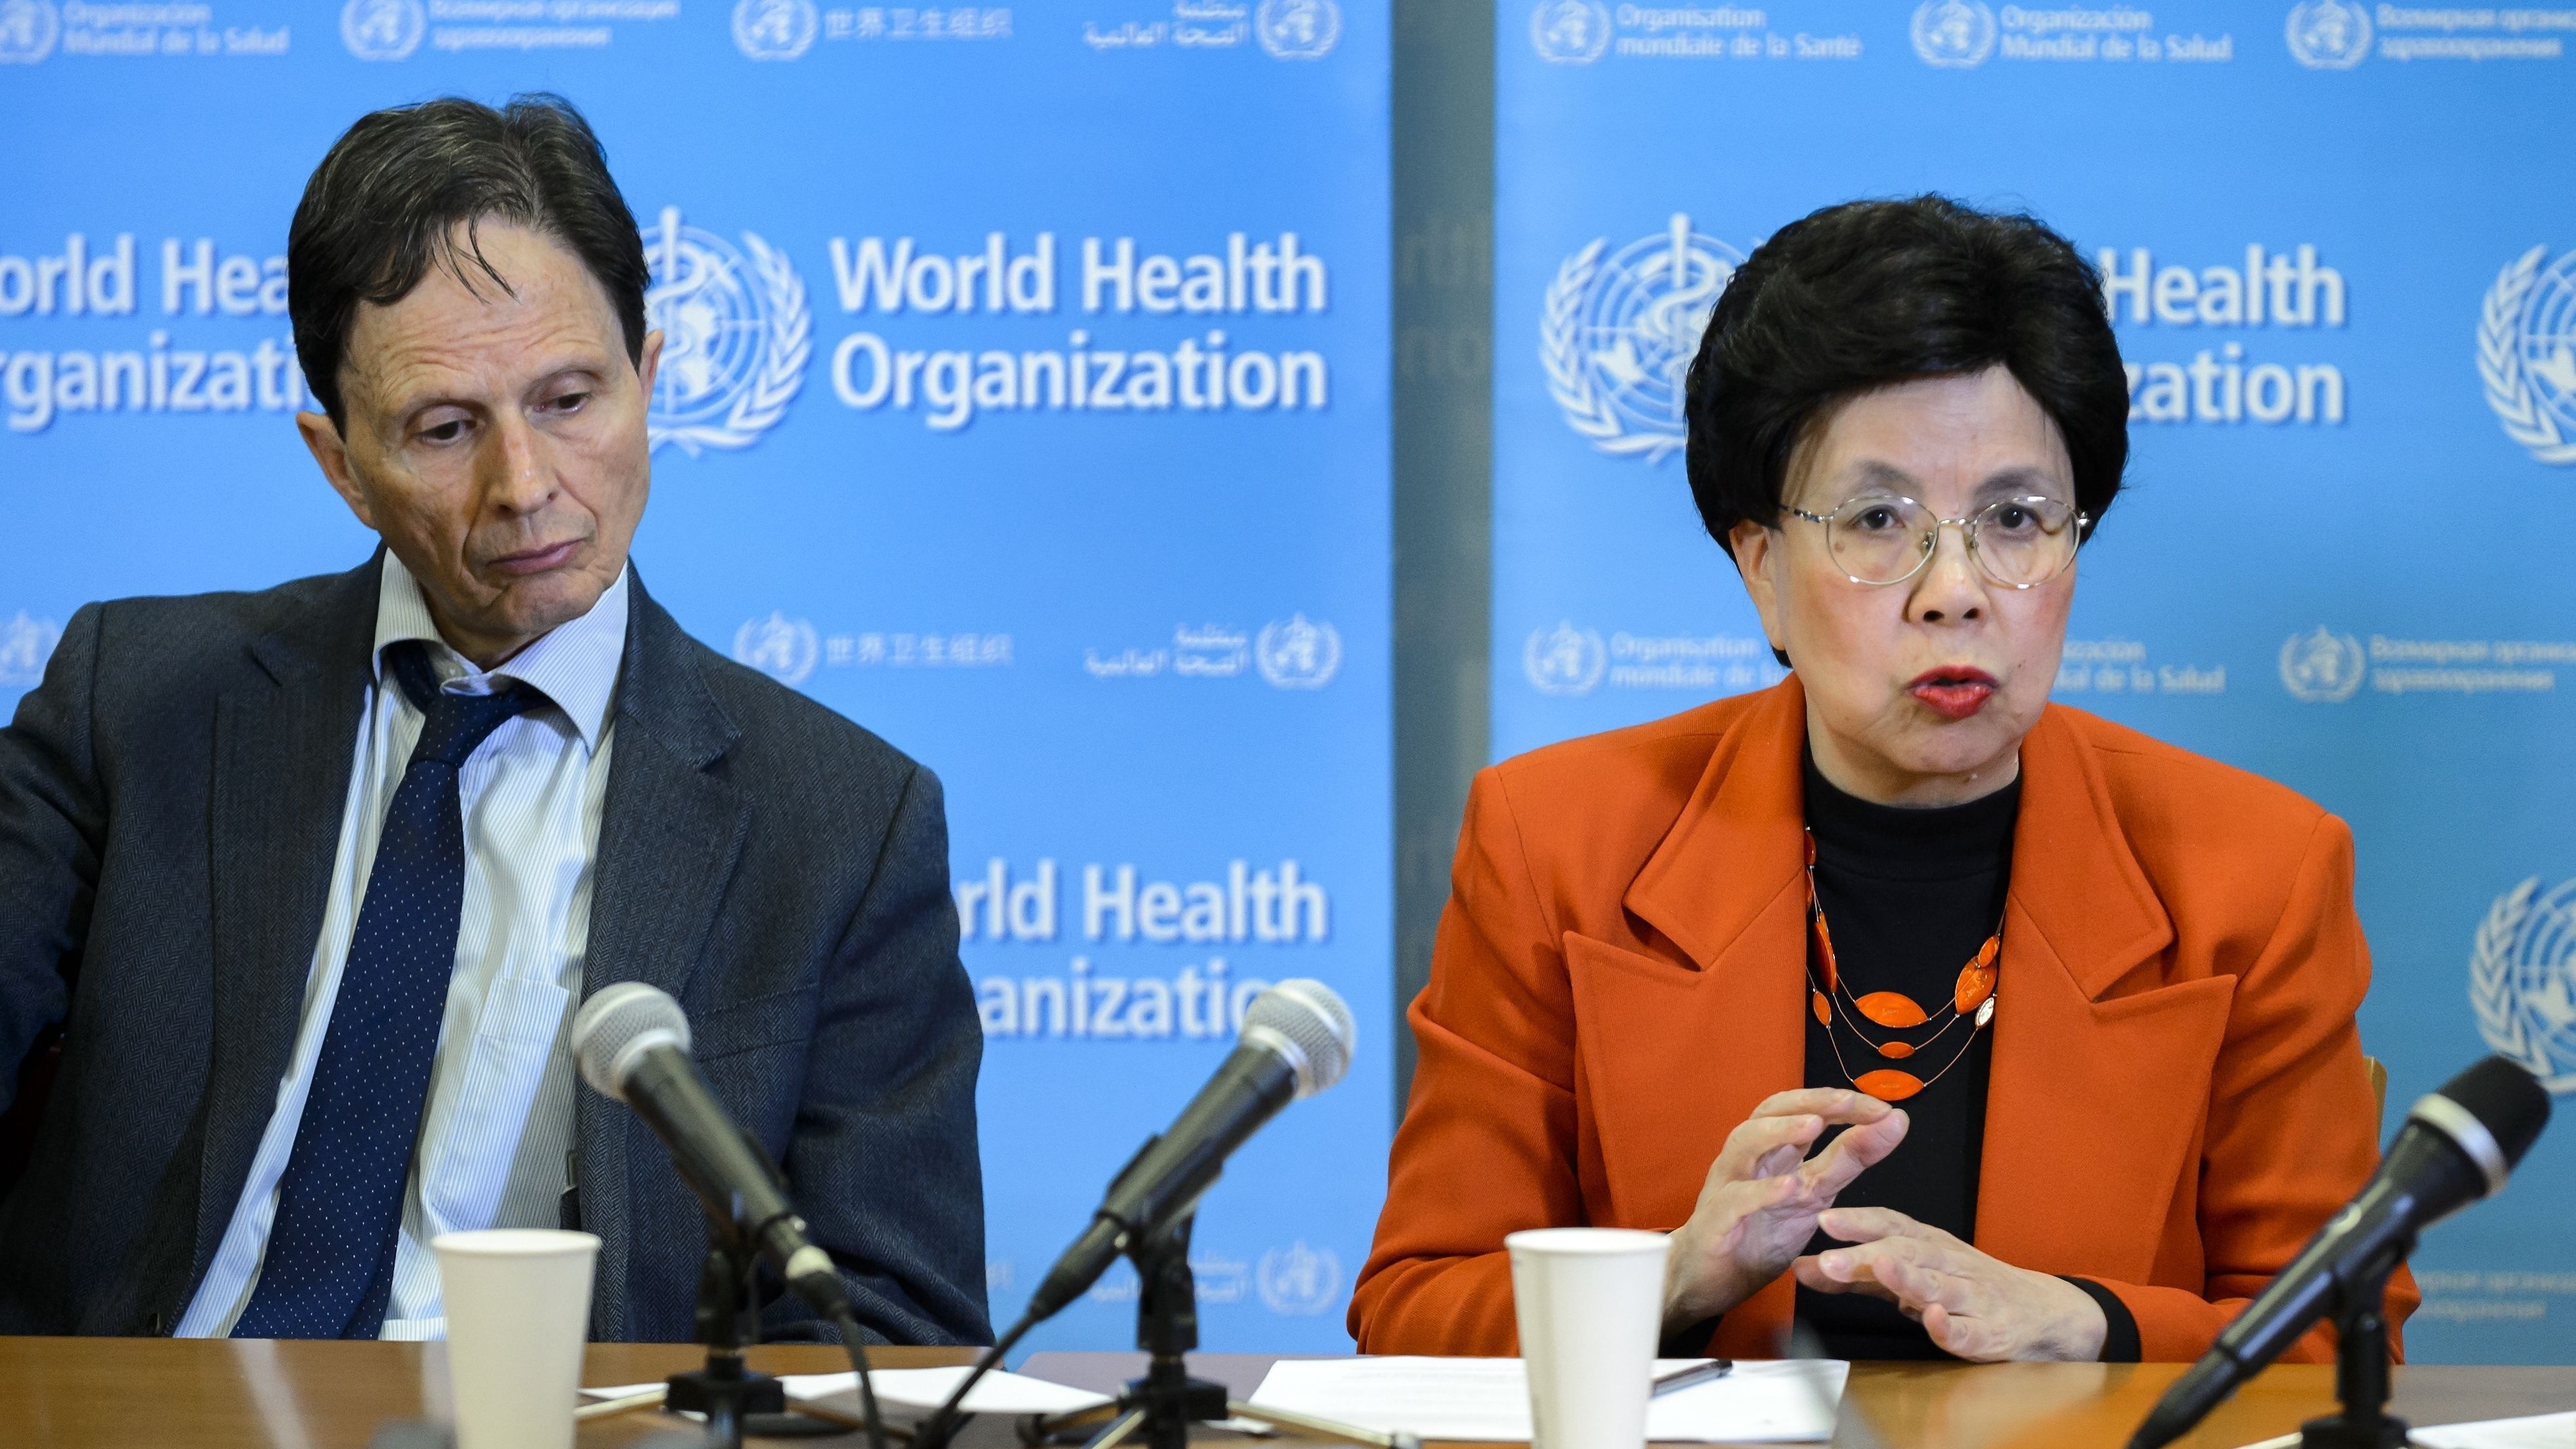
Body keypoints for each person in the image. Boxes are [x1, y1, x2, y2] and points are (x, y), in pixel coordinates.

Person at [1351, 196, 2413, 1364]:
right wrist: (1675, 1278)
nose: (1954, 590)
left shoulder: (2253, 874)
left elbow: (2339, 1340)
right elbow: (1416, 1314)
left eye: (2015, 518)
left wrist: (2088, 1322)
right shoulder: (1557, 846)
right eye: (1877, 518)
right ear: (1762, 568)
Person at [0, 95, 990, 1346]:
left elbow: (892, 1323)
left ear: (649, 381)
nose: (524, 486)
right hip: (142, 1409)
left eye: (569, 400)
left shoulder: (842, 824)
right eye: (446, 429)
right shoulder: (135, 699)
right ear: (340, 465)